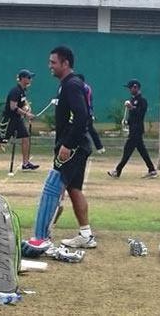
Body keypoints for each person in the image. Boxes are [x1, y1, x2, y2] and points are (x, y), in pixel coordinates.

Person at [22, 45, 96, 256]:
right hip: (79, 145)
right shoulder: (68, 84)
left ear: (66, 63)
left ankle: (40, 238)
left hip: (72, 147)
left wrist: (68, 144)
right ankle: (85, 235)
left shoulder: (71, 85)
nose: (50, 67)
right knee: (74, 189)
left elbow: (81, 116)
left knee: (52, 187)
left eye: (53, 63)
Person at [0, 69, 40, 171]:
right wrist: (26, 114)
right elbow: (13, 107)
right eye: (29, 77)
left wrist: (27, 107)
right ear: (22, 79)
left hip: (17, 120)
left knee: (26, 137)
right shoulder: (15, 91)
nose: (30, 79)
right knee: (0, 142)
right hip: (9, 120)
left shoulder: (22, 91)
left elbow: (23, 102)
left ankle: (25, 163)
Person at [107, 79, 158, 179]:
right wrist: (126, 122)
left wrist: (131, 107)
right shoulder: (132, 99)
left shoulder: (142, 100)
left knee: (127, 150)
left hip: (137, 130)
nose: (129, 90)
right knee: (142, 151)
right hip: (133, 128)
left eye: (131, 88)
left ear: (136, 87)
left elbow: (140, 114)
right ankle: (152, 170)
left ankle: (117, 171)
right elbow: (132, 117)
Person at [75, 73, 105, 154]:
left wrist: (89, 113)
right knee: (85, 129)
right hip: (83, 112)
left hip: (86, 112)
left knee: (89, 129)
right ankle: (98, 147)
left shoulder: (85, 88)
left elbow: (87, 101)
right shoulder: (81, 87)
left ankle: (99, 147)